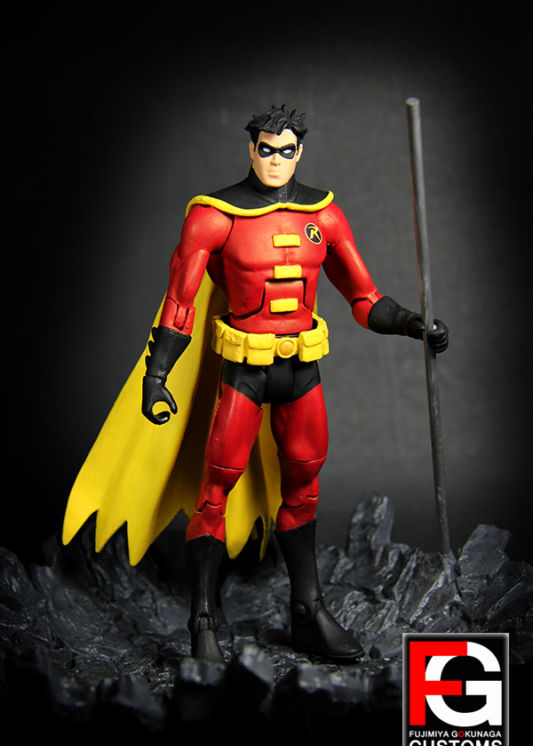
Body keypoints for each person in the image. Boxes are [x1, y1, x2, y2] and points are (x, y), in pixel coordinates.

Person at [140, 105, 449, 664]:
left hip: (302, 370)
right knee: (215, 492)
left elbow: (364, 299)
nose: (276, 160)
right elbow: (180, 305)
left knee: (304, 486)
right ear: (251, 148)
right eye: (266, 148)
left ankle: (307, 611)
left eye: (287, 150)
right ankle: (203, 621)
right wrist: (156, 374)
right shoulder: (214, 217)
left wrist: (411, 323)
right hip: (244, 372)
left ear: (300, 151)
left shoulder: (324, 216)